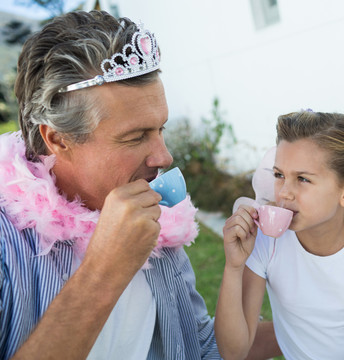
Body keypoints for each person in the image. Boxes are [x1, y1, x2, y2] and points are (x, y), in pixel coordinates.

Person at [0, 10, 279, 359]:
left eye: (160, 129)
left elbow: (198, 344)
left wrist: (327, 324)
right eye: (135, 137)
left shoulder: (155, 220)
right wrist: (104, 270)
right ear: (58, 140)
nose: (164, 157)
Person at [215, 111, 344, 359]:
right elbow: (233, 352)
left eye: (303, 179)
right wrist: (234, 266)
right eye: (279, 175)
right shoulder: (266, 242)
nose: (284, 192)